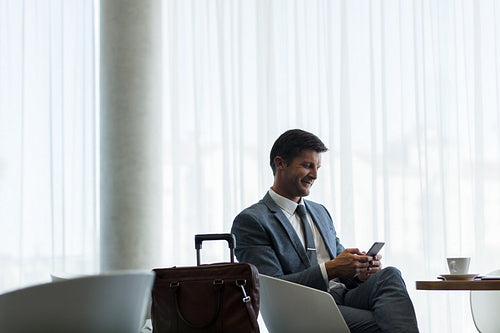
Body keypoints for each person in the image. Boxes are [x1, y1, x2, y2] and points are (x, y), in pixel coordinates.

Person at [231, 129, 419, 333]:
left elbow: (340, 265)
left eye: (317, 167)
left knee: (390, 275)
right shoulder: (252, 220)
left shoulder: (320, 212)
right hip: (301, 310)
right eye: (307, 166)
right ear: (280, 163)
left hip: (343, 296)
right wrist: (331, 269)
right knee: (384, 322)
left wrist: (358, 271)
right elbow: (271, 289)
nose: (315, 175)